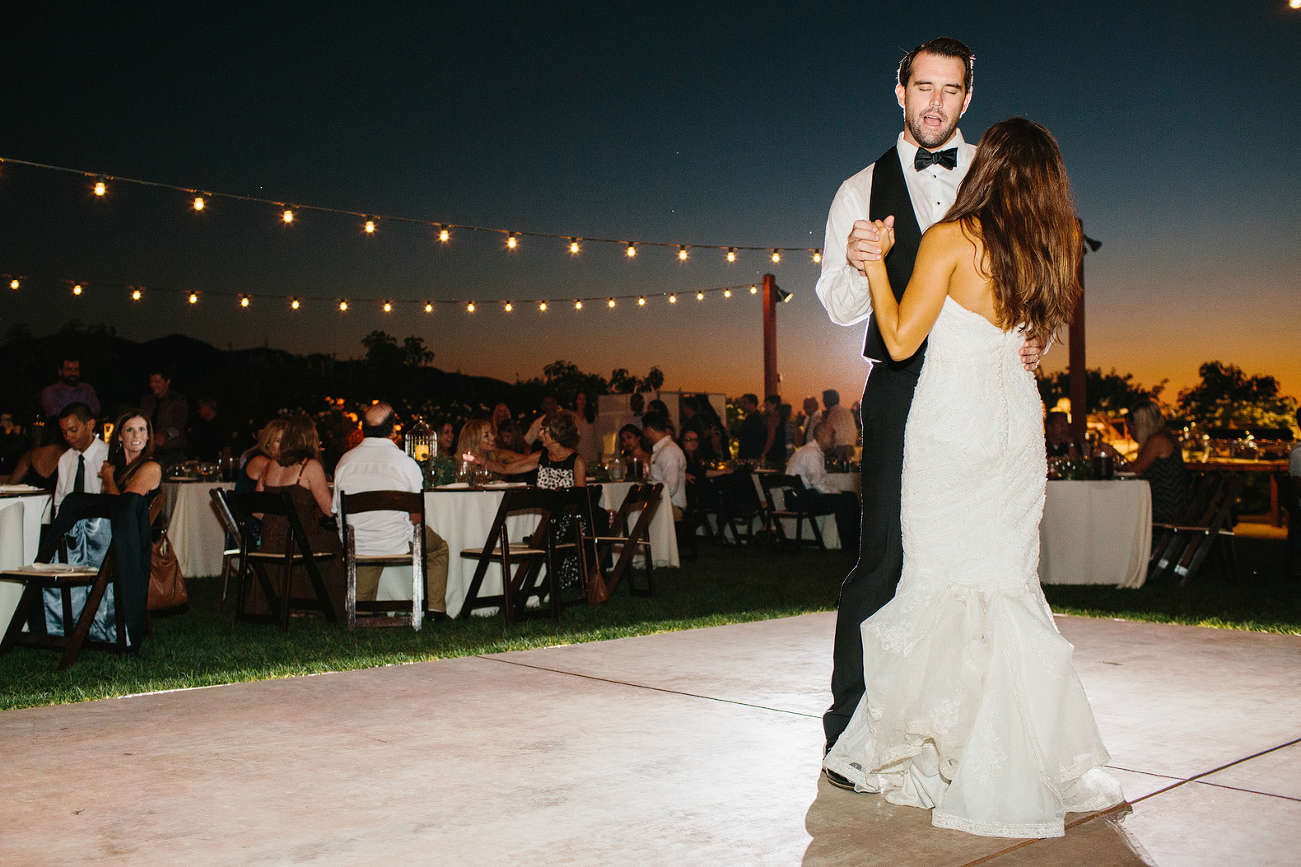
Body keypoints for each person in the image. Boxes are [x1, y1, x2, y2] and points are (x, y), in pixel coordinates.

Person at [821, 117, 1123, 836]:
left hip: (950, 431)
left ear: (985, 167)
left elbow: (897, 339)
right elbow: (1036, 341)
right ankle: (1007, 752)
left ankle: (931, 748)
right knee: (1006, 584)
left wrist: (875, 265)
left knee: (935, 582)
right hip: (1014, 431)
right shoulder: (1053, 251)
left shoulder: (951, 239)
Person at [815, 37, 1044, 764]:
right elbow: (836, 303)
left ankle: (960, 727)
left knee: (972, 557)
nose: (934, 103)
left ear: (967, 98)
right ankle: (851, 726)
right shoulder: (858, 188)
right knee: (882, 556)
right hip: (902, 386)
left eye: (950, 90)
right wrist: (859, 264)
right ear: (899, 91)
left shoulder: (995, 172)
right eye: (922, 87)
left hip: (980, 390)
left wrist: (1033, 333)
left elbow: (1028, 268)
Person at [332, 403, 450, 618]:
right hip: (396, 541)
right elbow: (416, 518)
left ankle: (364, 612)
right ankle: (435, 610)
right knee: (439, 549)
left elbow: (337, 511)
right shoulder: (405, 463)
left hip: (358, 544)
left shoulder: (344, 462)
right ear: (393, 429)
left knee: (369, 551)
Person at [473, 412, 587, 588]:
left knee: (542, 536)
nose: (540, 434)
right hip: (547, 524)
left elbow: (581, 499)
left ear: (556, 432)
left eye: (544, 430)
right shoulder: (541, 456)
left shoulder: (576, 461)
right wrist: (481, 461)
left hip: (569, 524)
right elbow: (507, 468)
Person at [254, 412, 345, 617]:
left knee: (314, 538)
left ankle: (294, 603)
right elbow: (329, 510)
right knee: (334, 544)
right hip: (298, 542)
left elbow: (257, 507)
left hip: (270, 542)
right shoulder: (310, 466)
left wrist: (275, 525)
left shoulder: (271, 465)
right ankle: (321, 607)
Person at [786, 422, 861, 554]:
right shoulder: (812, 453)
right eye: (832, 434)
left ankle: (855, 542)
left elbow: (821, 481)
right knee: (843, 501)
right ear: (820, 435)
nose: (834, 438)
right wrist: (836, 494)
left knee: (850, 497)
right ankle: (850, 546)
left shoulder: (812, 451)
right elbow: (817, 482)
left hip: (801, 496)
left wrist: (835, 492)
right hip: (799, 499)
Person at [1126, 400, 1188, 525]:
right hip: (1169, 508)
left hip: (1163, 511)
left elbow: (1134, 471)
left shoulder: (1157, 440)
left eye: (1131, 426)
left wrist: (1115, 455)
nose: (1128, 432)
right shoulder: (1165, 437)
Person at [98, 409, 163, 501]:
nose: (136, 435)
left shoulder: (151, 467)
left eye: (141, 429)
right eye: (129, 430)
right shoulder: (117, 465)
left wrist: (108, 477)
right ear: (120, 436)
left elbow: (124, 508)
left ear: (148, 435)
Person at [140, 368, 188, 468]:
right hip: (150, 454)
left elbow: (179, 425)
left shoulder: (178, 400)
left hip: (171, 455)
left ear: (167, 382)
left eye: (157, 381)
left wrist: (165, 435)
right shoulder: (146, 401)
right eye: (151, 382)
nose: (153, 385)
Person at [643, 411, 686, 519]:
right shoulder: (663, 449)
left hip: (671, 509)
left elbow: (670, 487)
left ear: (649, 430)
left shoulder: (669, 451)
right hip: (665, 506)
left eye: (644, 431)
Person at [40, 358, 101, 430]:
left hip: (85, 433)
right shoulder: (50, 392)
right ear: (60, 371)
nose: (73, 373)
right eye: (69, 369)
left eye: (76, 370)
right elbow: (56, 415)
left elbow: (96, 409)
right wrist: (82, 414)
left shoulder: (87, 389)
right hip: (59, 435)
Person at [187, 396, 233, 463]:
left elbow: (227, 446)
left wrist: (225, 462)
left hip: (216, 463)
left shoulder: (222, 424)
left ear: (208, 407)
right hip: (202, 463)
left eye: (200, 407)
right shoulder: (200, 425)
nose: (199, 410)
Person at [819, 390, 859, 462]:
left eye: (824, 398)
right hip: (851, 449)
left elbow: (830, 436)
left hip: (839, 450)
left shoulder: (831, 415)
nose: (822, 401)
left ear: (829, 399)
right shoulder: (847, 411)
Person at [573, 392, 601, 465]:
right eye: (579, 399)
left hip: (591, 456)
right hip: (576, 455)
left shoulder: (592, 417)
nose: (582, 401)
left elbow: (598, 437)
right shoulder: (571, 417)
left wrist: (599, 456)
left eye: (584, 399)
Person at [736, 394, 766, 461]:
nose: (743, 405)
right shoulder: (750, 418)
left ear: (752, 404)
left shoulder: (757, 419)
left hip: (751, 456)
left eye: (745, 402)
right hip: (748, 455)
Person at [760, 395, 786, 468]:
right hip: (781, 455)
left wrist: (763, 454)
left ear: (774, 405)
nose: (765, 407)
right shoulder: (782, 418)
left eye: (767, 405)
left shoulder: (771, 418)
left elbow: (771, 438)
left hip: (772, 456)